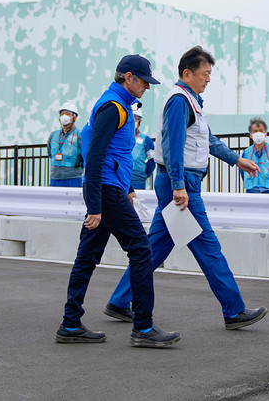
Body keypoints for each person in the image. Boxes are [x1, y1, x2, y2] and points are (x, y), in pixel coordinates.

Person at [105, 46, 267, 331]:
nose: (208, 79)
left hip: (178, 183)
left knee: (155, 247)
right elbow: (172, 145)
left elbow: (208, 141)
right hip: (181, 185)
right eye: (205, 74)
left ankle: (119, 300)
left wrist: (238, 160)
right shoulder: (180, 100)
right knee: (208, 246)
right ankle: (234, 309)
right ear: (187, 73)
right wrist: (180, 186)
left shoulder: (192, 102)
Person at [58, 54, 180, 347]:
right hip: (105, 191)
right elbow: (96, 156)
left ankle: (70, 324)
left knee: (87, 257)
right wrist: (96, 206)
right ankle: (144, 327)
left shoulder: (119, 105)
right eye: (144, 82)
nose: (147, 88)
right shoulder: (113, 107)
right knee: (141, 249)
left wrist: (123, 190)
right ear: (129, 78)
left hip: (110, 189)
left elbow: (112, 155)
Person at [240, 118, 269, 194]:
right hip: (251, 192)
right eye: (255, 131)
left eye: (261, 131)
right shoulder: (246, 153)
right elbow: (242, 172)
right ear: (251, 135)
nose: (258, 133)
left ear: (265, 134)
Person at [48, 102, 84, 187]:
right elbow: (50, 153)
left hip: (73, 179)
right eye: (62, 114)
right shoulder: (53, 135)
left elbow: (86, 154)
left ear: (75, 117)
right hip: (55, 178)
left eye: (67, 114)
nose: (64, 116)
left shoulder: (80, 135)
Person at [129, 104, 156, 191]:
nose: (133, 121)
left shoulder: (146, 140)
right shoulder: (118, 138)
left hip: (138, 179)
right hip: (121, 178)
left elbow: (151, 161)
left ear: (140, 121)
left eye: (135, 118)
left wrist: (144, 175)